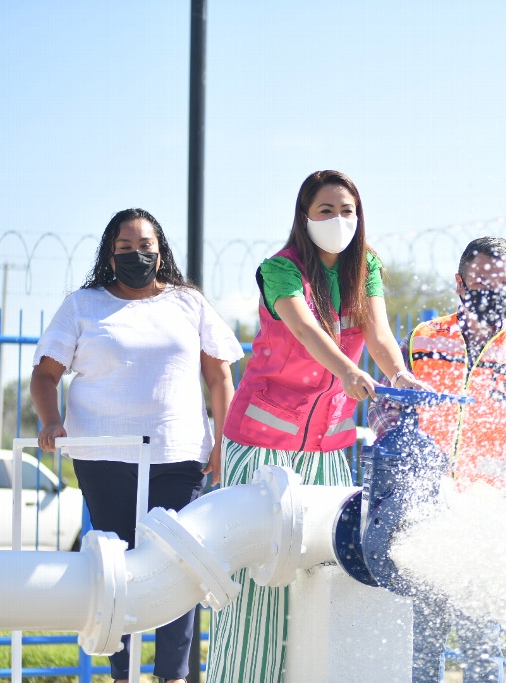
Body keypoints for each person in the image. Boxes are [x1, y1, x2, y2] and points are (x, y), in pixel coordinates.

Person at [206, 170, 430, 683]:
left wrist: (398, 373)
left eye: (347, 210)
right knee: (257, 586)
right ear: (304, 217)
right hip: (261, 446)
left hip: (328, 447)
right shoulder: (280, 269)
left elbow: (379, 334)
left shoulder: (366, 267)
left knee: (325, 571)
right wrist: (349, 371)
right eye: (326, 210)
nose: (338, 220)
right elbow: (306, 330)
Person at [31, 208, 244, 683]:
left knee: (178, 566)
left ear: (160, 251)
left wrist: (222, 442)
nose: (136, 255)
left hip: (179, 455)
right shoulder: (83, 306)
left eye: (145, 246)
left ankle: (174, 675)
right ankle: (122, 674)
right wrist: (51, 422)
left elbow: (219, 376)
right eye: (125, 248)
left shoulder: (188, 303)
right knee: (118, 566)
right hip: (103, 456)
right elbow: (45, 375)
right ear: (110, 256)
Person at [368, 236, 506, 683]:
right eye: (482, 283)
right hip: (427, 514)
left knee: (482, 648)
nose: (493, 293)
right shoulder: (422, 340)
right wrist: (407, 458)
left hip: (490, 521)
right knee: (422, 647)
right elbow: (385, 407)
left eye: (504, 285)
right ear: (460, 284)